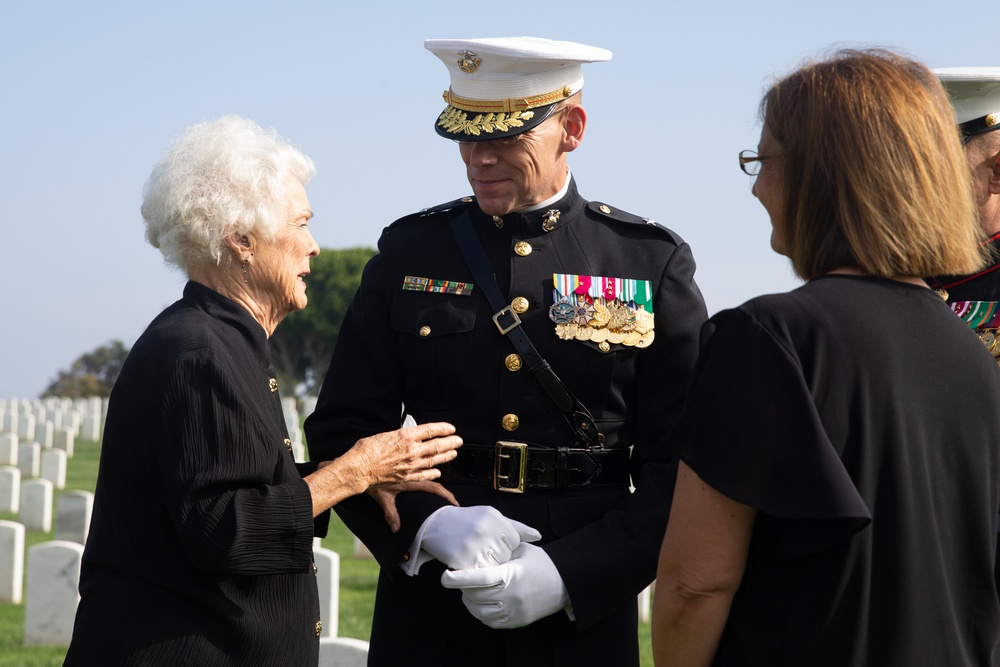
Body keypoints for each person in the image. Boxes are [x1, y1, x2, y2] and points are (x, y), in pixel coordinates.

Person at [304, 37, 707, 666]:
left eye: (504, 136)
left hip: (580, 619)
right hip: (432, 610)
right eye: (466, 135)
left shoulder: (645, 261)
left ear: (570, 128)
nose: (477, 157)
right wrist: (427, 527)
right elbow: (343, 429)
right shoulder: (413, 251)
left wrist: (572, 574)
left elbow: (682, 468)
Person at [63, 115, 463, 667]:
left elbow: (232, 488)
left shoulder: (221, 340)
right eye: (300, 223)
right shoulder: (199, 353)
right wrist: (355, 469)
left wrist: (356, 485)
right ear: (242, 241)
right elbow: (224, 531)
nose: (314, 247)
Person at [651, 49, 1000, 666]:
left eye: (764, 160)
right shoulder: (966, 349)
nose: (757, 185)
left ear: (823, 174)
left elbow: (693, 584)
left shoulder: (767, 335)